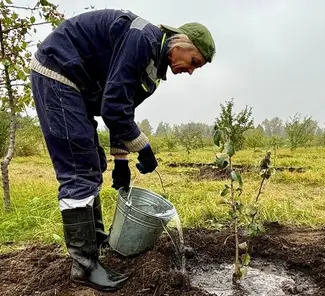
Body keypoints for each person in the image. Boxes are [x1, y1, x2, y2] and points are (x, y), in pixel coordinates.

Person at [29, 8, 215, 292]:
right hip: (59, 74)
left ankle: (97, 239)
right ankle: (84, 265)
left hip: (78, 88)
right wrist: (144, 147)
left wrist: (120, 160)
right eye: (193, 62)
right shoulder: (142, 40)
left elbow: (119, 108)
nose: (190, 71)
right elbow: (113, 108)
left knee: (92, 165)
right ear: (180, 45)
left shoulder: (152, 71)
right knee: (80, 171)